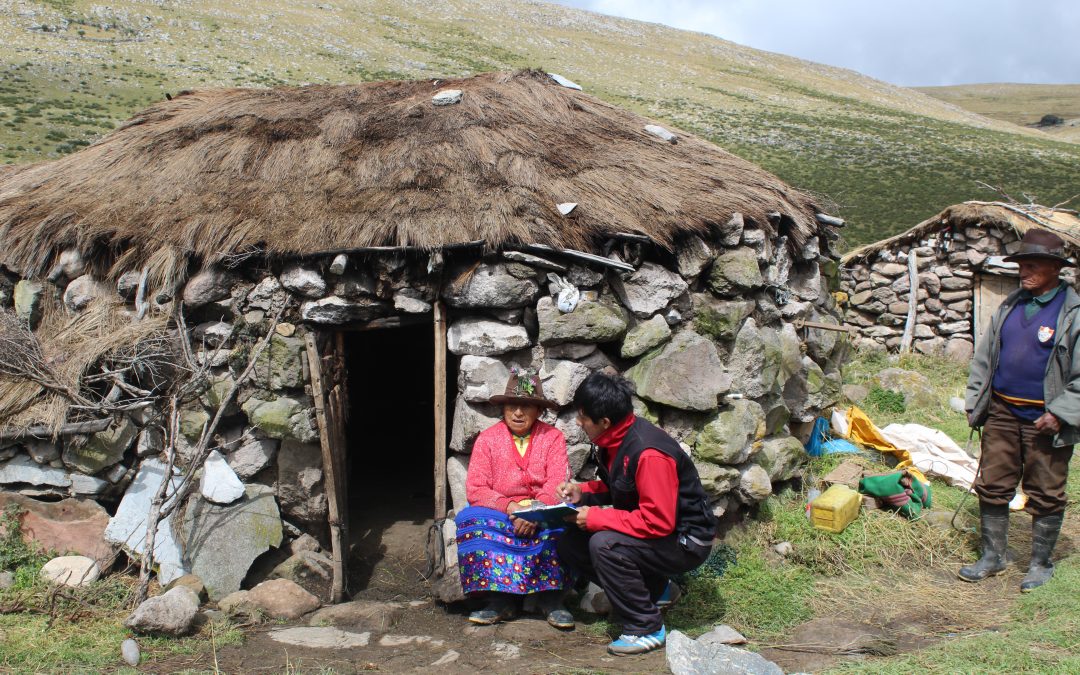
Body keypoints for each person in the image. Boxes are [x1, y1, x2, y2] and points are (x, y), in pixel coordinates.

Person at [556, 371, 716, 655]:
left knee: (604, 544)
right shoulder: (615, 439)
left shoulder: (649, 453)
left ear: (604, 422)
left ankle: (646, 626)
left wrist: (595, 518)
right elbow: (619, 487)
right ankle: (656, 590)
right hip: (662, 535)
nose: (579, 423)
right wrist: (583, 492)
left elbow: (657, 522)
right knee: (569, 541)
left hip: (685, 541)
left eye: (583, 418)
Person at [963, 227, 1079, 591]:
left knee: (1046, 490)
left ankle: (1040, 563)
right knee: (993, 483)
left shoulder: (1073, 313)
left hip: (1047, 419)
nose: (1023, 272)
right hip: (1002, 412)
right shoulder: (1010, 305)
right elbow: (984, 358)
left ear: (1055, 268)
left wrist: (1060, 412)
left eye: (1032, 265)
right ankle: (993, 556)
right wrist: (976, 401)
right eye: (1021, 265)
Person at [456, 368, 575, 628]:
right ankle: (499, 600)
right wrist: (510, 507)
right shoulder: (487, 440)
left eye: (526, 406)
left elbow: (557, 481)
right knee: (470, 520)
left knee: (565, 520)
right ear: (503, 409)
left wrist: (534, 511)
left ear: (539, 411)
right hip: (502, 513)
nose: (518, 413)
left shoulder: (553, 438)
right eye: (512, 406)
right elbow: (476, 487)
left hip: (540, 511)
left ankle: (551, 599)